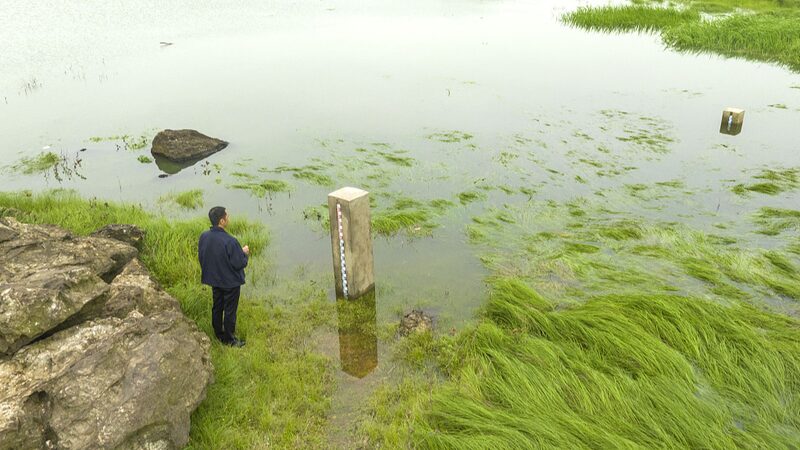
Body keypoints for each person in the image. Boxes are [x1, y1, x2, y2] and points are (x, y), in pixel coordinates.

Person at [198, 206, 250, 347]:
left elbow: (202, 257)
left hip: (215, 279)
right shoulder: (230, 241)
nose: (228, 218)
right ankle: (229, 339)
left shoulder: (204, 236)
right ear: (222, 221)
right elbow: (239, 263)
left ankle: (218, 333)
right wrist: (244, 253)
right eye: (227, 216)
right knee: (229, 310)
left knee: (217, 306)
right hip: (230, 283)